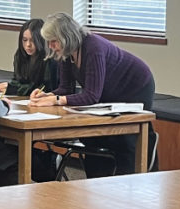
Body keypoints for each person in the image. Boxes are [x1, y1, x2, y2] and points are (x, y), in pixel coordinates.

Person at [29, 12, 156, 177]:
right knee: (92, 137)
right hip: (110, 91)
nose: (51, 46)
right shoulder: (67, 52)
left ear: (66, 37)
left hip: (136, 86)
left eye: (54, 41)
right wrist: (46, 96)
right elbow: (66, 89)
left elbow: (91, 97)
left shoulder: (93, 47)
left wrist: (57, 100)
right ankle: (98, 179)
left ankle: (134, 174)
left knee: (125, 138)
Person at [0, 19, 58, 97]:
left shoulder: (50, 59)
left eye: (33, 40)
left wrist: (10, 88)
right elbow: (16, 81)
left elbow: (45, 89)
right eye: (25, 40)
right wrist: (1, 87)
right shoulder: (20, 55)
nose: (28, 44)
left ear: (40, 40)